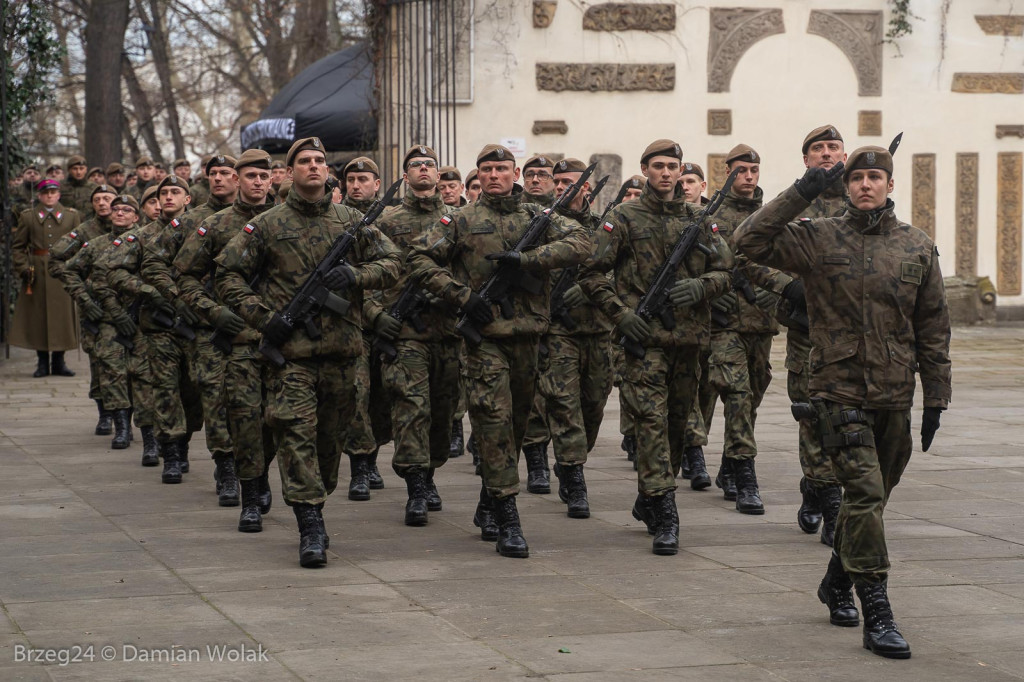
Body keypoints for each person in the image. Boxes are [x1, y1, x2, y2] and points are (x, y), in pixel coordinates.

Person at [734, 144, 951, 660]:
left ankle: (836, 580)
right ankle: (878, 611)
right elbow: (747, 241)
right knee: (865, 493)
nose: (865, 185)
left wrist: (936, 397)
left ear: (890, 185)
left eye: (875, 177)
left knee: (869, 502)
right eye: (856, 178)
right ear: (846, 186)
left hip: (895, 393)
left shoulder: (917, 245)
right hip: (837, 390)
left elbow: (932, 325)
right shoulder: (818, 236)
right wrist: (801, 191)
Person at [216, 137, 401, 567]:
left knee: (328, 445)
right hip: (292, 359)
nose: (314, 166)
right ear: (290, 171)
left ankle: (316, 496)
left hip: (343, 354)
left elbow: (393, 263)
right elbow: (227, 275)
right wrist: (264, 318)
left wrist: (355, 276)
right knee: (295, 436)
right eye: (304, 161)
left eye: (320, 160)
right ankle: (310, 524)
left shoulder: (350, 220)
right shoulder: (268, 224)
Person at [408, 143, 589, 558]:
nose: (494, 176)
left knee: (516, 427)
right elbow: (418, 257)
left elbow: (582, 242)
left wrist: (527, 260)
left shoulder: (538, 216)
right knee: (493, 422)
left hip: (529, 338)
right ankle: (509, 517)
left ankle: (489, 499)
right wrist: (461, 296)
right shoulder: (461, 219)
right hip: (484, 339)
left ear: (515, 174)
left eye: (502, 169)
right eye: (487, 169)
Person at [579, 139, 732, 556]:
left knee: (677, 426)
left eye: (673, 166)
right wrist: (620, 314)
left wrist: (702, 286)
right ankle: (665, 510)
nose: (666, 173)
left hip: (688, 341)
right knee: (650, 423)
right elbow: (590, 274)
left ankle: (649, 495)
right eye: (659, 166)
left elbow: (726, 272)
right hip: (644, 342)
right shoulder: (624, 217)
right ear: (645, 169)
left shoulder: (700, 220)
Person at [174, 149, 277, 531]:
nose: (257, 182)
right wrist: (213, 312)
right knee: (240, 415)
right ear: (237, 179)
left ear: (272, 180)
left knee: (276, 420)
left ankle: (260, 474)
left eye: (263, 176)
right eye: (249, 175)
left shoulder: (284, 220)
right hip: (234, 339)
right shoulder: (215, 225)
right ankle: (243, 486)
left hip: (282, 338)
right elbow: (184, 275)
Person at [366, 145, 459, 526]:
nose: (423, 169)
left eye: (429, 164)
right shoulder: (386, 221)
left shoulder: (457, 219)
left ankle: (430, 472)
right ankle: (416, 487)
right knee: (411, 409)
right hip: (404, 333)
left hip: (447, 331)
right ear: (405, 176)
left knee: (442, 412)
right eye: (415, 165)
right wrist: (375, 315)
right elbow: (364, 274)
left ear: (438, 174)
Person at [142, 156, 239, 506]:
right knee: (212, 395)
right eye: (213, 173)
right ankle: (224, 468)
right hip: (206, 326)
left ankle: (250, 469)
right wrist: (177, 297)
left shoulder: (262, 218)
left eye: (225, 173)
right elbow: (153, 261)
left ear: (238, 178)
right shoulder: (191, 221)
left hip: (253, 324)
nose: (218, 178)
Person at [702, 144, 793, 514]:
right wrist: (710, 294)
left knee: (752, 397)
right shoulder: (709, 215)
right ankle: (745, 478)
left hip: (761, 322)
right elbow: (693, 264)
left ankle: (729, 464)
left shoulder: (770, 216)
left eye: (754, 170)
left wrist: (781, 293)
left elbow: (787, 260)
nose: (749, 177)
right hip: (724, 325)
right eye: (742, 170)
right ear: (728, 172)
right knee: (737, 396)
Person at [529, 157, 615, 518]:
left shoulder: (605, 226)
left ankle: (570, 461)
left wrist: (598, 286)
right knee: (564, 406)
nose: (563, 188)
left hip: (597, 330)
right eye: (558, 181)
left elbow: (626, 269)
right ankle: (575, 477)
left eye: (570, 182)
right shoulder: (541, 224)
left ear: (587, 188)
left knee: (593, 406)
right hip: (558, 331)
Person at [783, 125, 851, 546]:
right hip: (807, 332)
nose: (826, 153)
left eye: (833, 147)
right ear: (806, 159)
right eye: (818, 149)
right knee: (811, 417)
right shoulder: (792, 204)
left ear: (844, 154)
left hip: (850, 333)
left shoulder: (861, 201)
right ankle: (830, 506)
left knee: (846, 421)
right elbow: (751, 255)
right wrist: (787, 286)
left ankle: (815, 486)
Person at [62, 194, 141, 450]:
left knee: (139, 373)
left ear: (136, 216)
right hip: (107, 319)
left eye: (126, 209)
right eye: (116, 209)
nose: (119, 213)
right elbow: (69, 270)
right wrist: (84, 300)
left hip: (140, 318)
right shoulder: (96, 245)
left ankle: (146, 428)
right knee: (112, 371)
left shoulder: (147, 240)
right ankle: (122, 427)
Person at [49, 184, 118, 431]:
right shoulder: (84, 232)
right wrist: (80, 292)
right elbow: (56, 260)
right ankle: (105, 413)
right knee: (98, 359)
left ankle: (126, 416)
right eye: (97, 199)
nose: (102, 203)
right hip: (94, 306)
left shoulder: (132, 228)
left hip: (126, 306)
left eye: (107, 198)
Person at [10, 179, 81, 377]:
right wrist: (23, 267)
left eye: (53, 192)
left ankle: (59, 361)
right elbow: (18, 247)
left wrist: (74, 267)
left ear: (59, 195)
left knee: (62, 317)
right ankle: (42, 362)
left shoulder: (71, 216)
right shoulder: (28, 217)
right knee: (38, 317)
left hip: (62, 272)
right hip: (37, 273)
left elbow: (79, 244)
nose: (49, 196)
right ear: (39, 195)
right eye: (45, 193)